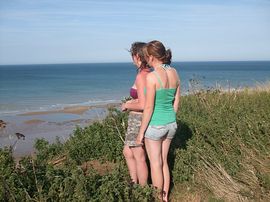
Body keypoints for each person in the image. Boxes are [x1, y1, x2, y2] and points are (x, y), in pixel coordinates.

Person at [136, 40, 180, 201]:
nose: (146, 60)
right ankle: (165, 197)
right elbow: (176, 101)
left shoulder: (152, 77)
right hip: (171, 124)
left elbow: (148, 108)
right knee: (164, 162)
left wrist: (141, 133)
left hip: (155, 125)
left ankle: (157, 198)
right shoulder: (174, 72)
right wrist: (171, 118)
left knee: (155, 164)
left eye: (146, 57)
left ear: (152, 57)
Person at [121, 42, 150, 185]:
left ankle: (143, 191)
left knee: (139, 155)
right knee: (127, 152)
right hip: (136, 119)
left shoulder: (142, 75)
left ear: (137, 56)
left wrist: (127, 104)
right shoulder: (147, 73)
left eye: (132, 55)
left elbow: (144, 105)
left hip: (138, 119)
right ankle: (133, 183)